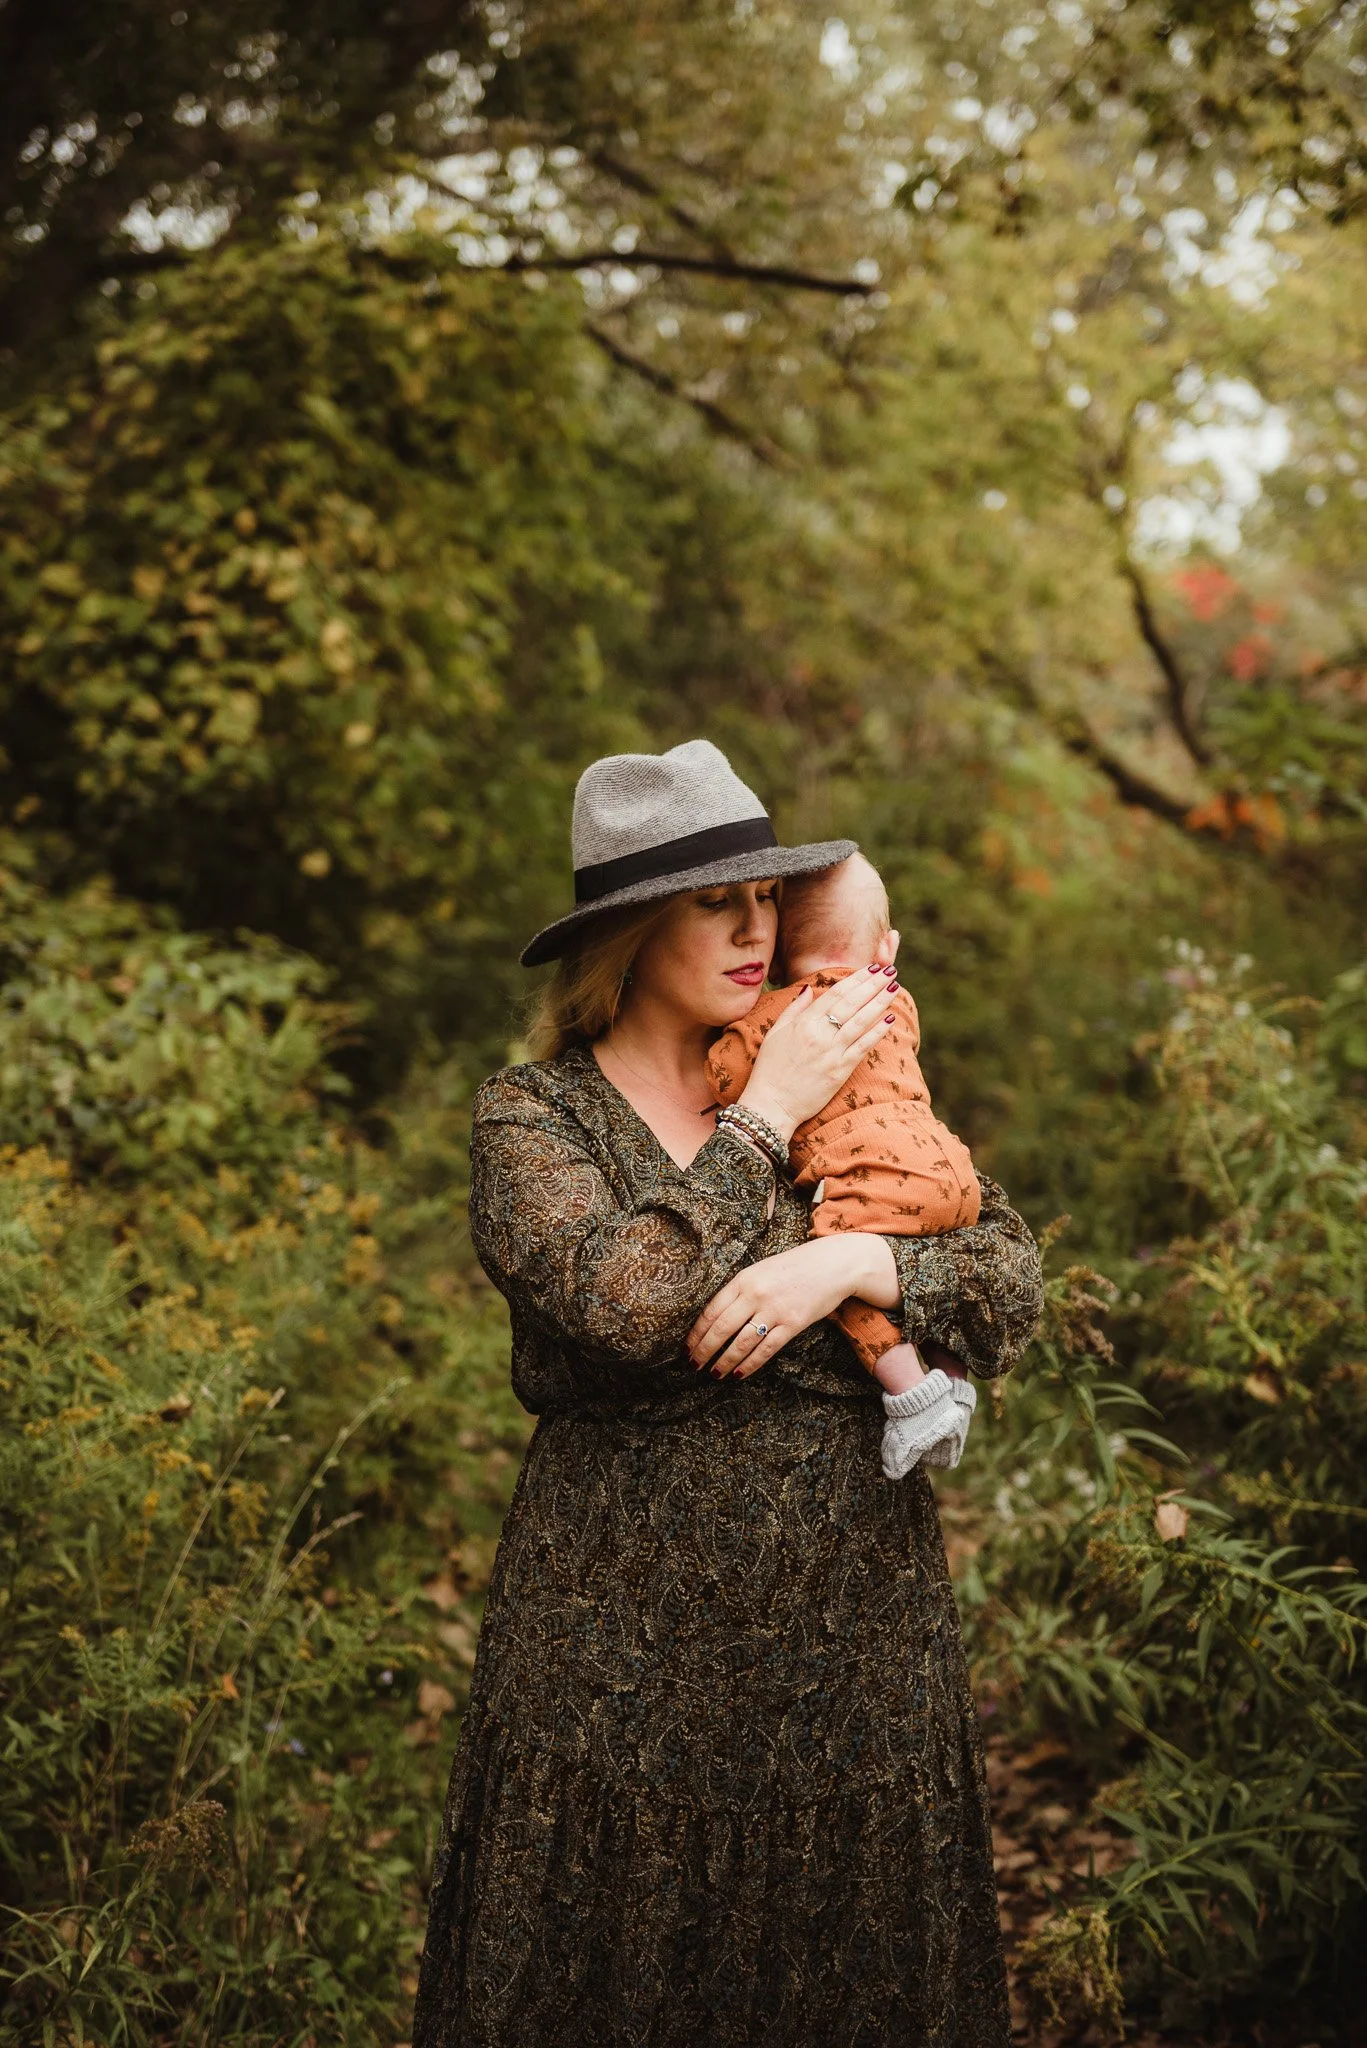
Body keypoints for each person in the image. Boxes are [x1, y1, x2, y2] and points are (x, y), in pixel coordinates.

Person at [413, 739, 1043, 2048]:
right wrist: (761, 1121)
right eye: (715, 903)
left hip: (852, 1653)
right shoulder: (532, 1120)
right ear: (629, 930)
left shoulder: (828, 1049)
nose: (756, 928)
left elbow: (1003, 1274)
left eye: (763, 897)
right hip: (612, 1670)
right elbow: (624, 1306)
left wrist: (852, 1263)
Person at [705, 849, 982, 1479]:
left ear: (775, 958)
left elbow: (725, 1073)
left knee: (830, 1268)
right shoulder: (897, 999)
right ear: (888, 948)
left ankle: (911, 1393)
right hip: (951, 1168)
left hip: (873, 1178)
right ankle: (953, 1378)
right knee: (943, 1252)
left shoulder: (782, 1018)